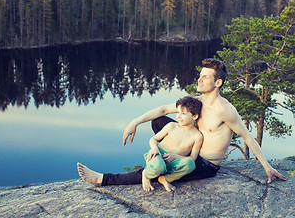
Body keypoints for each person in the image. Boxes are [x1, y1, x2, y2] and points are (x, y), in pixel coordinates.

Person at [77, 58, 287, 188]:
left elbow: (247, 137)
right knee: (159, 121)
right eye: (200, 76)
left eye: (205, 77)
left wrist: (267, 167)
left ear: (218, 83)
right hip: (188, 150)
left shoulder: (225, 109)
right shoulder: (197, 102)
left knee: (155, 170)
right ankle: (159, 157)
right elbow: (162, 110)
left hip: (203, 164)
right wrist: (135, 121)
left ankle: (103, 179)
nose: (200, 80)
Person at [142, 96, 203, 192]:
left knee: (190, 165)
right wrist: (154, 148)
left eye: (183, 113)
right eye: (178, 112)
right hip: (158, 154)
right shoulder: (171, 126)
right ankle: (146, 174)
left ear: (194, 116)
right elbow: (153, 139)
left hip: (174, 161)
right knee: (159, 166)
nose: (178, 116)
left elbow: (193, 158)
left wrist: (176, 156)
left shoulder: (197, 136)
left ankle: (164, 178)